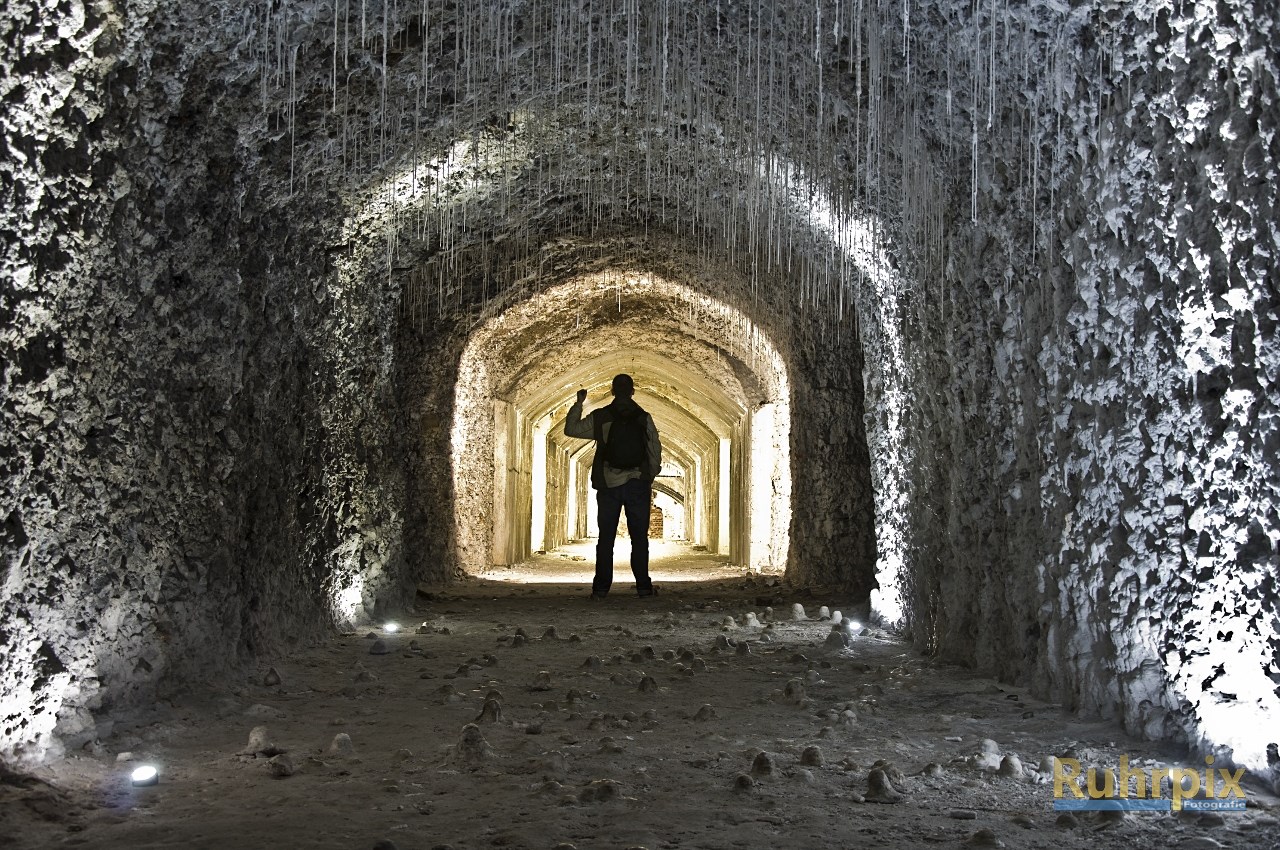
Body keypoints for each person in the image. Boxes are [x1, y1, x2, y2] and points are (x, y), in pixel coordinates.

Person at [564, 374, 662, 598]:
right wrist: (649, 475)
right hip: (637, 483)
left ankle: (600, 589)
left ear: (612, 391)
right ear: (633, 391)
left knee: (606, 538)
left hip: (609, 484)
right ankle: (644, 587)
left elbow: (572, 430)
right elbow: (654, 446)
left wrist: (578, 404)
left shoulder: (601, 417)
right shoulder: (643, 417)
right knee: (639, 538)